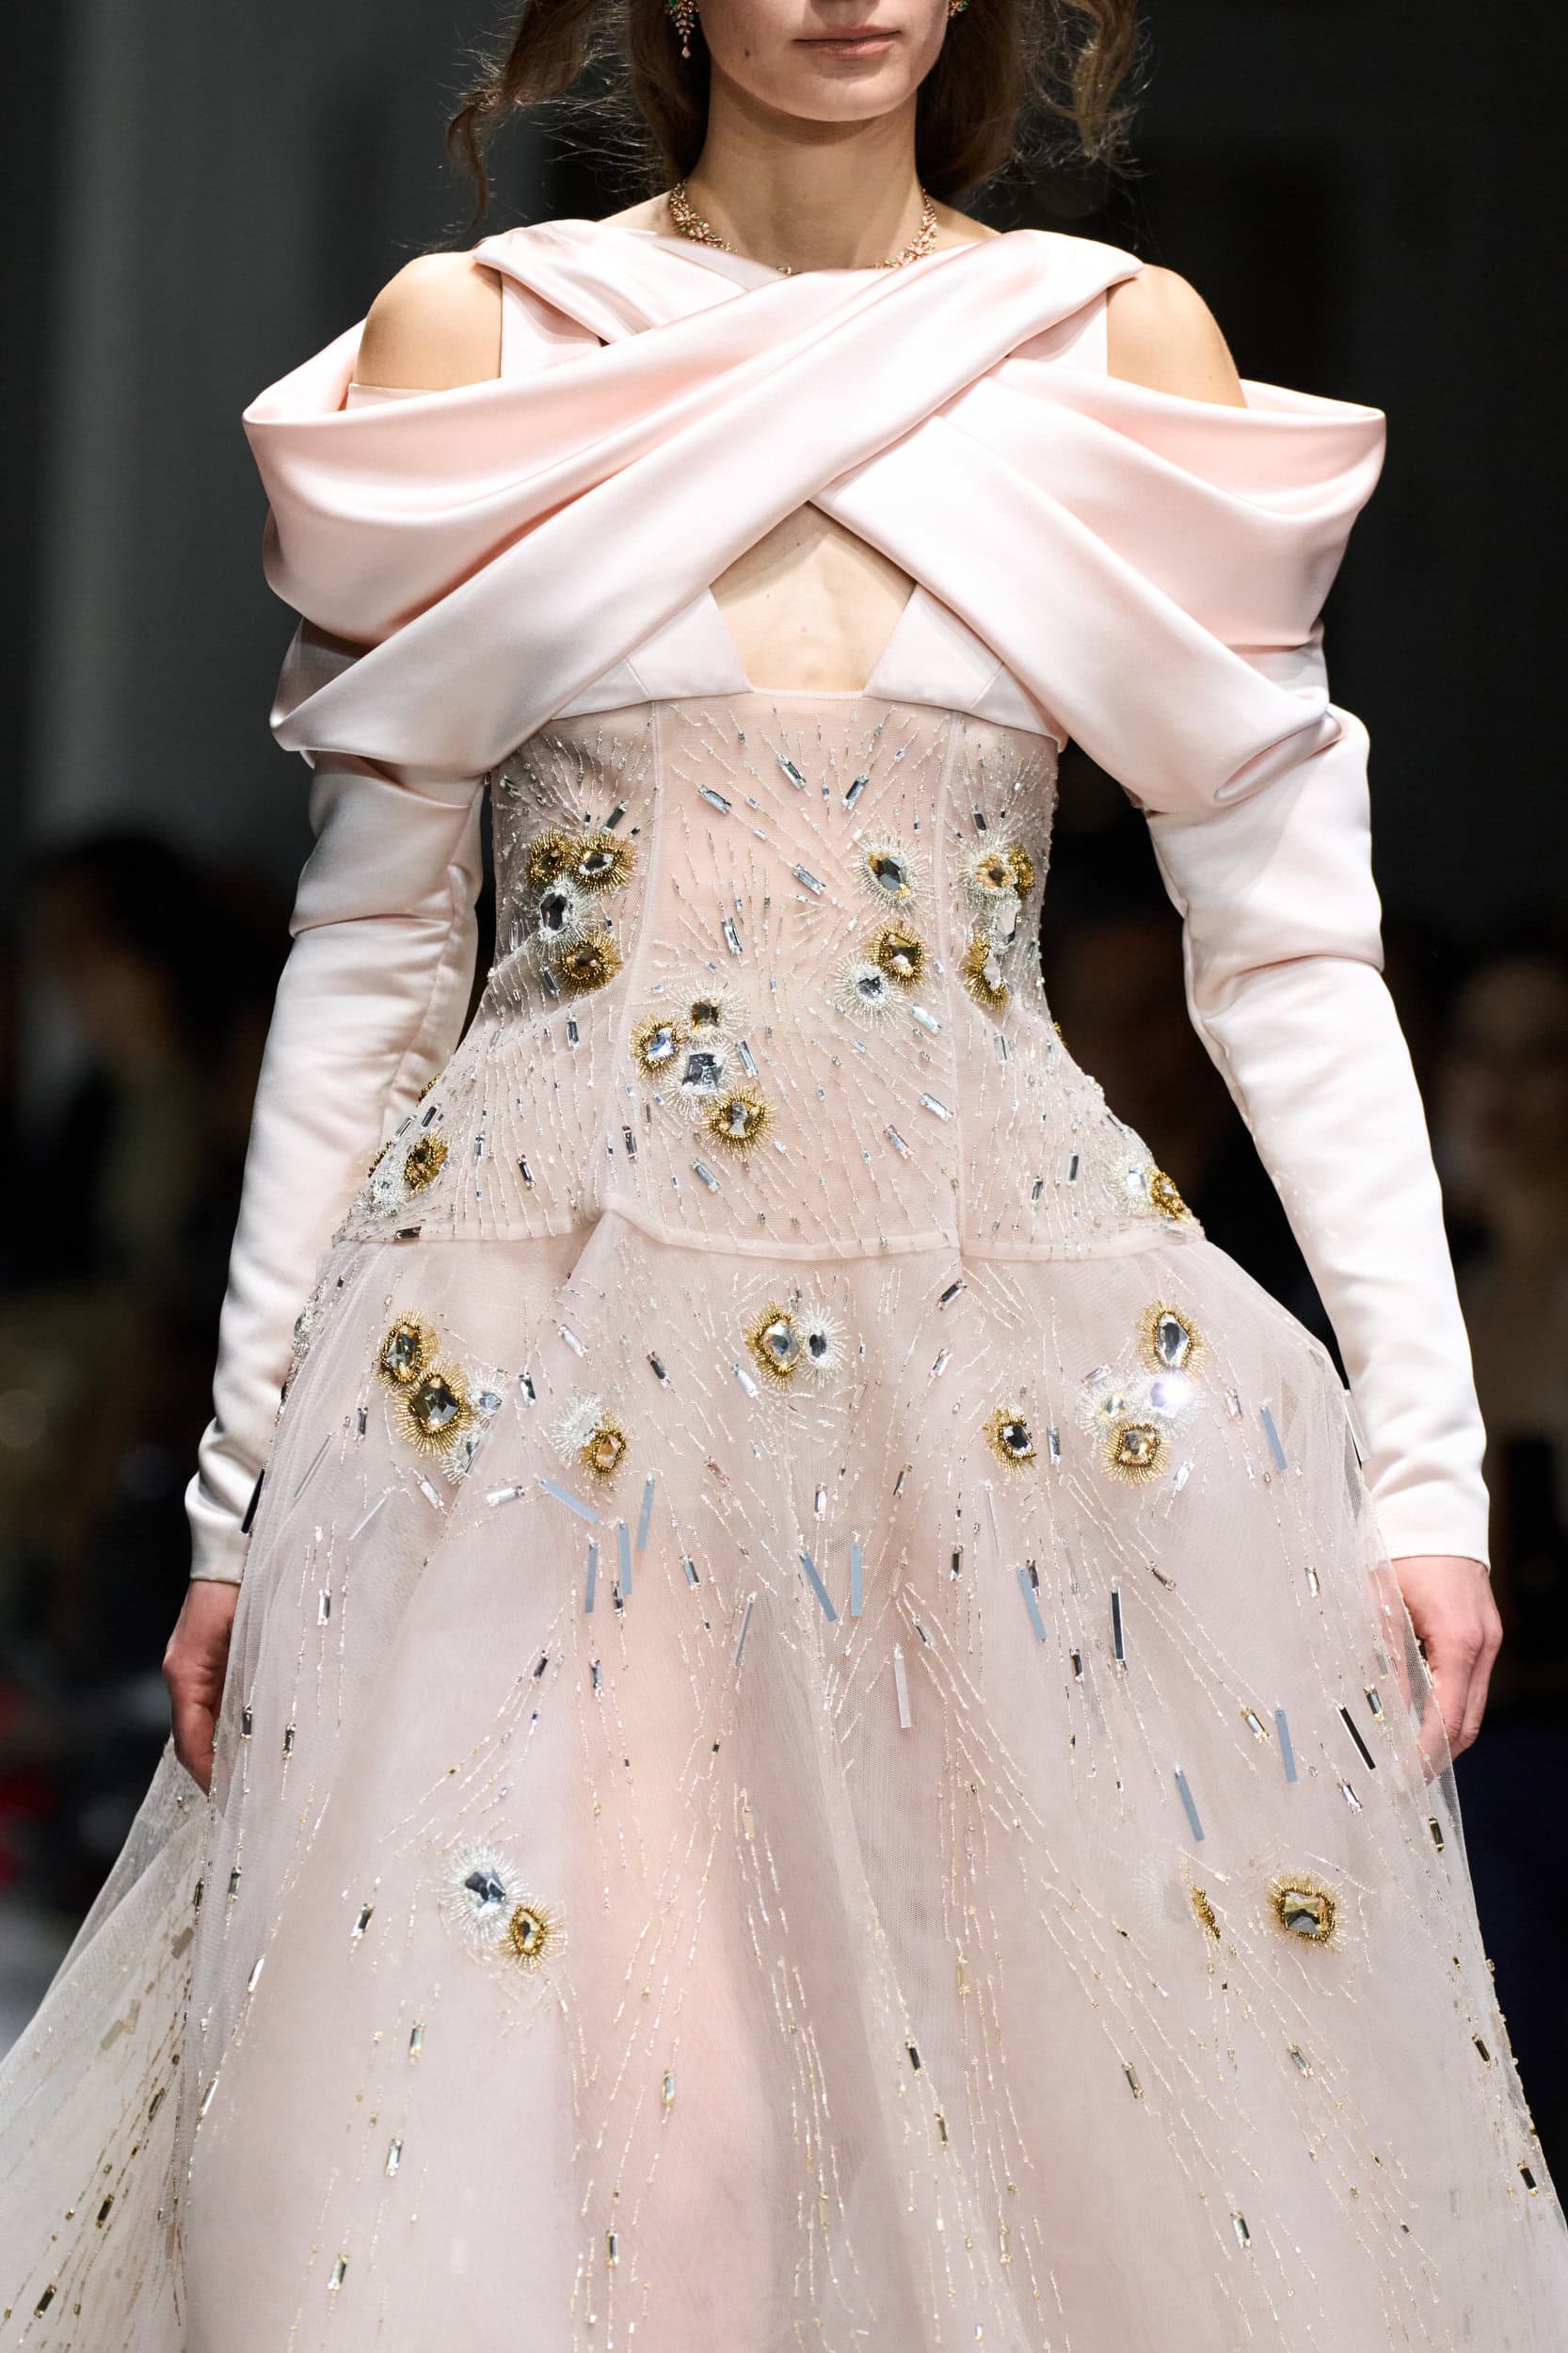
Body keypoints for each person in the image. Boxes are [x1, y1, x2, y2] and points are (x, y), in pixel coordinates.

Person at [3, 0, 1565, 2341]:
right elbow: (372, 950)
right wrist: (239, 1500)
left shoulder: (1104, 347)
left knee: (1024, 2122)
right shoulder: (486, 343)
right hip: (540, 1351)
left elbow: (1283, 942)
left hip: (999, 1360)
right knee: (626, 2122)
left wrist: (1423, 1467)